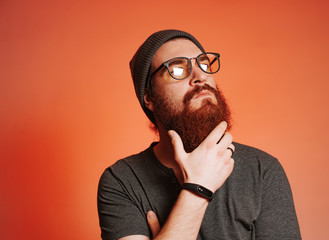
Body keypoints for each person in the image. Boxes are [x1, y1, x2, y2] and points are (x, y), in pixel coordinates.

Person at [97, 29, 301, 240]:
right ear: (148, 97)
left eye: (203, 64)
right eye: (177, 69)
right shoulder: (121, 181)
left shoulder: (261, 170)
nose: (200, 76)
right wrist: (198, 188)